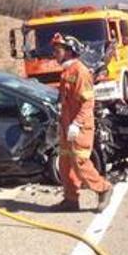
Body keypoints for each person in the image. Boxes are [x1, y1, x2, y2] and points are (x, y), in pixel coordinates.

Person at [50, 33, 113, 212]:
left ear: (69, 52)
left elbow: (87, 103)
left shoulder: (80, 71)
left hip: (80, 127)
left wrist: (76, 124)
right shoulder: (67, 71)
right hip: (66, 126)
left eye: (58, 50)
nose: (55, 54)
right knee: (65, 164)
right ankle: (70, 199)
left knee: (80, 162)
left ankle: (104, 189)